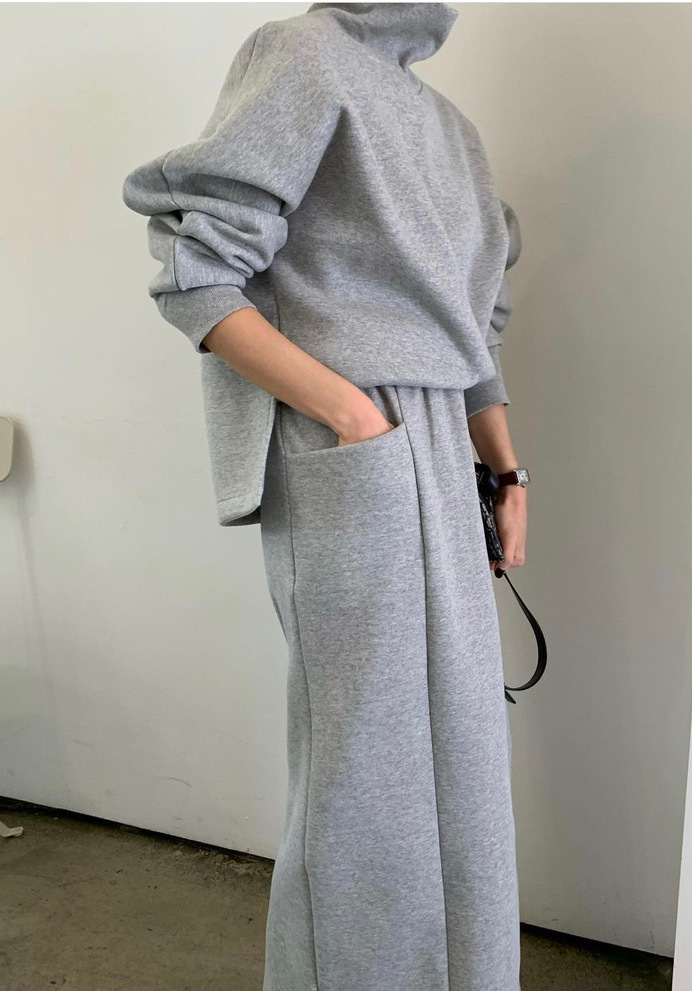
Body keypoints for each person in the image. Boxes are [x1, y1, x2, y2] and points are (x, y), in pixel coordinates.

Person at [121, 4, 528, 990]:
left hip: (444, 448)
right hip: (355, 437)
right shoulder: (301, 56)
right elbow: (196, 272)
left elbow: (473, 326)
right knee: (369, 771)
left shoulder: (451, 128)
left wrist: (507, 471)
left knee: (465, 754)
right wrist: (351, 415)